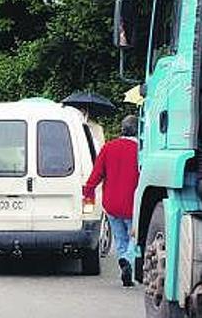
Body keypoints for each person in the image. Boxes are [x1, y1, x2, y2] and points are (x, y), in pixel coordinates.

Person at [84, 115, 140, 287]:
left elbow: (97, 173)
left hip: (112, 203)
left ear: (122, 129)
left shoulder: (109, 147)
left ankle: (125, 266)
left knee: (120, 238)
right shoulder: (141, 150)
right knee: (135, 238)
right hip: (132, 203)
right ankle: (127, 260)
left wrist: (88, 190)